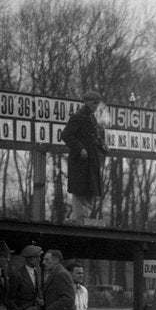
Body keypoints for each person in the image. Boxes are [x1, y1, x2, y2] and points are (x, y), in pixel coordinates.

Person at [61, 90, 108, 225]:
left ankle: (83, 221)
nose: (96, 106)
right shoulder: (78, 117)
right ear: (87, 102)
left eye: (97, 103)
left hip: (91, 161)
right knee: (80, 191)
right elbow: (66, 135)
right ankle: (80, 221)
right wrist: (80, 148)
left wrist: (101, 145)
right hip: (80, 163)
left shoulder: (91, 118)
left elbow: (94, 137)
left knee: (90, 191)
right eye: (94, 103)